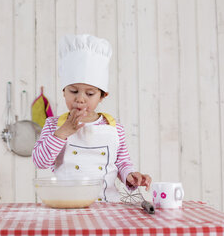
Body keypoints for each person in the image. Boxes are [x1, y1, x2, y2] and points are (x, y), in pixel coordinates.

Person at [32, 34, 151, 202]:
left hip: (108, 206)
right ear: (63, 92)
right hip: (66, 204)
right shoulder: (53, 125)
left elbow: (122, 162)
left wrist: (130, 176)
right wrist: (62, 132)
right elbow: (40, 162)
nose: (80, 99)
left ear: (102, 96)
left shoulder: (114, 127)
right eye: (73, 91)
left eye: (89, 93)